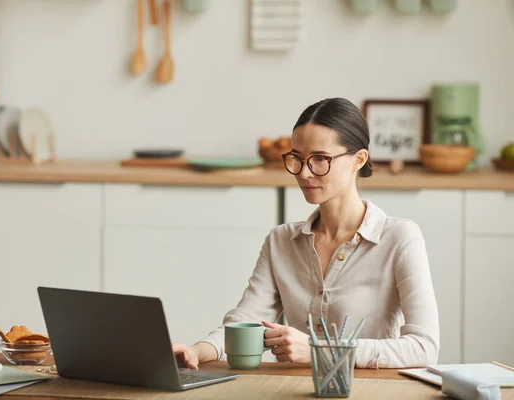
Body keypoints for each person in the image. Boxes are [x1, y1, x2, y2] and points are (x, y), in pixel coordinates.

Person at [172, 97, 440, 369]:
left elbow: (423, 348)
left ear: (358, 159)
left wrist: (319, 350)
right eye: (297, 159)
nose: (304, 173)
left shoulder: (400, 238)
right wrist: (197, 350)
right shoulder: (281, 242)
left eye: (320, 159)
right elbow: (247, 319)